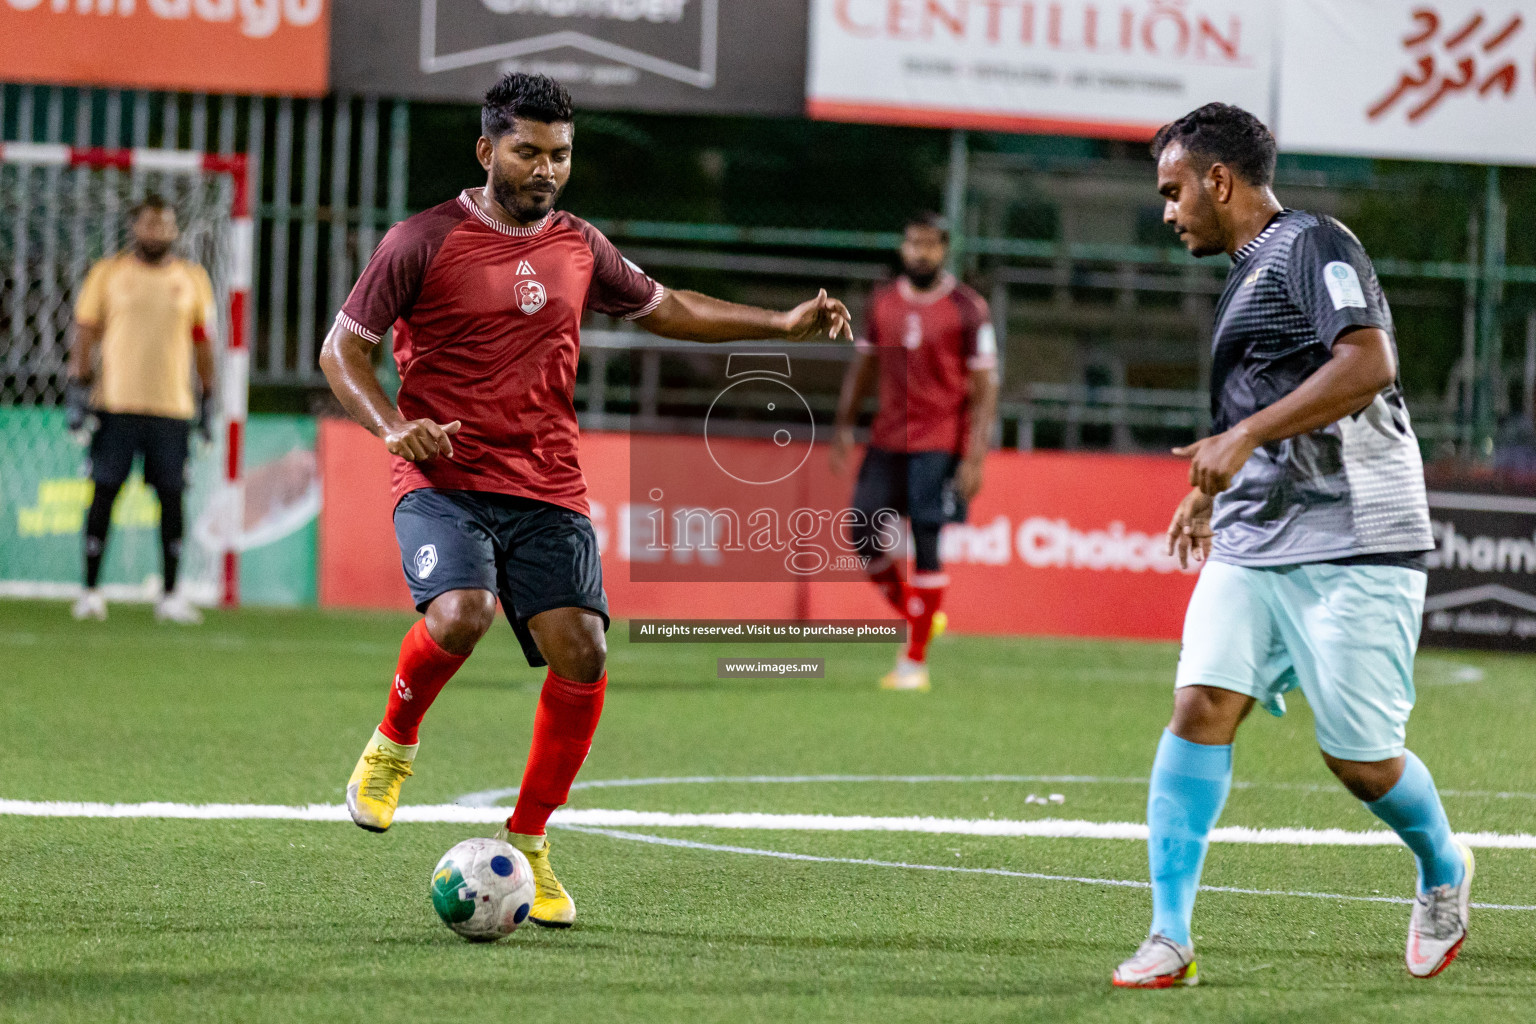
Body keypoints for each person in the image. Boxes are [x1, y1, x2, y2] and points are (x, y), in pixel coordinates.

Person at [320, 73, 851, 929]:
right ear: (488, 149)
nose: (546, 169)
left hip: (548, 482)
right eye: (528, 151)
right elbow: (342, 353)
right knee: (462, 613)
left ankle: (528, 840)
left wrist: (778, 325)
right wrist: (391, 426)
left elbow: (664, 306)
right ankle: (393, 744)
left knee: (585, 653)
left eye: (560, 154)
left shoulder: (578, 244)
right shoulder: (420, 240)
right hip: (444, 475)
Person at [1111, 103, 1469, 988]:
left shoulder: (1313, 243)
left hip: (1357, 533)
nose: (1168, 211)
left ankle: (1443, 869)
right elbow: (1264, 404)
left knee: (1359, 758)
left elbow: (1367, 362)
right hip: (1256, 535)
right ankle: (1169, 935)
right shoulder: (1246, 273)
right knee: (1199, 705)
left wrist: (1234, 444)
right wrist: (1214, 484)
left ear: (1218, 180)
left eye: (1172, 190)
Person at [830, 213, 999, 692]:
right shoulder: (882, 301)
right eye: (912, 243)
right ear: (902, 247)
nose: (919, 253)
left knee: (927, 541)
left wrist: (974, 457)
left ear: (944, 250)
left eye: (929, 245)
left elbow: (986, 385)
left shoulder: (969, 307)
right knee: (861, 529)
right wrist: (844, 424)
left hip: (939, 443)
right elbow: (863, 365)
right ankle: (918, 614)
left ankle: (913, 663)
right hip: (887, 439)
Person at [67, 194, 216, 625]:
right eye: (149, 224)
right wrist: (78, 390)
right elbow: (84, 333)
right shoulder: (108, 273)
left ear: (174, 230)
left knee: (172, 499)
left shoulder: (192, 279)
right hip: (115, 403)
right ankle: (90, 590)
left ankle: (170, 594)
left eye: (165, 224)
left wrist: (208, 397)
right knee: (104, 492)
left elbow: (204, 342)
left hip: (172, 408)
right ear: (135, 228)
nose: (157, 231)